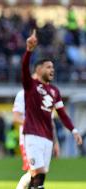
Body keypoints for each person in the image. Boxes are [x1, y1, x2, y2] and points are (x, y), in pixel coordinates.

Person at [22, 30, 83, 189]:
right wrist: (29, 51)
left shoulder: (55, 91)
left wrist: (74, 130)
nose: (52, 70)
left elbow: (62, 114)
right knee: (38, 173)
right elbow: (23, 69)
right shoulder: (31, 86)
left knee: (39, 178)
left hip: (47, 137)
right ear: (39, 69)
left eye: (53, 67)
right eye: (49, 67)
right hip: (33, 135)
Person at [13, 87, 60, 189]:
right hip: (28, 139)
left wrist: (55, 143)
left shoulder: (47, 96)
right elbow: (16, 117)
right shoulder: (23, 94)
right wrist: (33, 125)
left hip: (45, 140)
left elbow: (50, 122)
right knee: (35, 171)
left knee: (38, 173)